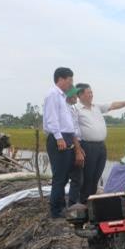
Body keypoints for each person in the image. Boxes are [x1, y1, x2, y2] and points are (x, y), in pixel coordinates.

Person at [75, 83, 125, 203]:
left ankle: (91, 201)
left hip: (101, 146)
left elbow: (112, 105)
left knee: (96, 176)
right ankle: (83, 201)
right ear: (80, 95)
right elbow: (72, 129)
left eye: (91, 92)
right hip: (87, 146)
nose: (91, 95)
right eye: (89, 93)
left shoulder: (96, 107)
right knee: (87, 176)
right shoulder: (76, 109)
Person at [43, 68, 84, 218]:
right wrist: (59, 138)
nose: (71, 84)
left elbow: (67, 122)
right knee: (60, 177)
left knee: (65, 175)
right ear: (61, 79)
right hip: (58, 138)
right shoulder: (53, 94)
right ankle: (56, 211)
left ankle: (61, 207)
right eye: (70, 80)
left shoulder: (62, 97)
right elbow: (51, 118)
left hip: (66, 137)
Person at [65, 86, 84, 206]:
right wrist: (78, 150)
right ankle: (71, 204)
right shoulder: (66, 110)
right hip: (72, 144)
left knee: (77, 177)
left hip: (76, 144)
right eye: (75, 95)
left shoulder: (72, 108)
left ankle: (73, 202)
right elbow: (71, 131)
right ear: (70, 96)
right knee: (73, 176)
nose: (77, 97)